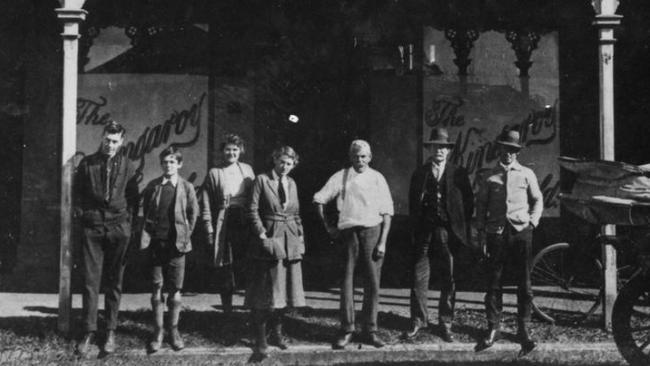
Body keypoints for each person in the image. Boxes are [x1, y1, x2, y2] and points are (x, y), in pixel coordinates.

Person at [314, 140, 394, 349]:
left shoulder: (377, 178)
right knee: (346, 282)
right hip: (348, 233)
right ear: (351, 157)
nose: (360, 160)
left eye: (364, 156)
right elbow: (319, 200)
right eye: (356, 156)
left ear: (370, 157)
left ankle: (370, 330)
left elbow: (387, 213)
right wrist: (329, 228)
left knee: (373, 283)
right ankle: (347, 329)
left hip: (372, 232)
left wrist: (383, 242)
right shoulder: (340, 177)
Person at [475, 129, 543, 355]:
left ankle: (524, 329)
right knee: (494, 282)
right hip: (496, 233)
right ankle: (493, 328)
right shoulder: (489, 176)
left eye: (513, 150)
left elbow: (537, 200)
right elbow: (481, 208)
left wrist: (532, 222)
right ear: (499, 149)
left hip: (521, 232)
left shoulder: (526, 174)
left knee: (524, 281)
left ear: (517, 152)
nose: (509, 154)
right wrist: (483, 234)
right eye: (506, 149)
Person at [74, 121, 139, 356]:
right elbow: (78, 194)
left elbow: (133, 198)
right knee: (91, 281)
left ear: (121, 142)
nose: (110, 145)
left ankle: (110, 330)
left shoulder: (128, 166)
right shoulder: (87, 163)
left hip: (118, 229)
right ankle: (89, 331)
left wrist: (127, 226)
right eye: (106, 140)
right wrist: (85, 217)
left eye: (114, 141)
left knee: (114, 282)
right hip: (93, 229)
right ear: (102, 138)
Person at [403, 128, 474, 342]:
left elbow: (469, 203)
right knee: (418, 276)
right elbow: (413, 204)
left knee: (448, 276)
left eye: (443, 147)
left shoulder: (459, 173)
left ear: (448, 151)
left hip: (447, 231)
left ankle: (446, 323)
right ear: (430, 149)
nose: (439, 150)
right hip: (424, 230)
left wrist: (457, 225)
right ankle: (418, 320)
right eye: (435, 146)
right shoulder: (420, 173)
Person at [245, 146, 306, 359]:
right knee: (266, 290)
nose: (284, 166)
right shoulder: (262, 180)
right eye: (281, 162)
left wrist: (300, 236)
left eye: (289, 164)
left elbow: (296, 213)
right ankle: (261, 339)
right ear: (274, 159)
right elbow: (252, 209)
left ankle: (278, 333)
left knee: (285, 291)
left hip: (289, 240)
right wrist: (262, 234)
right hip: (270, 239)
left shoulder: (292, 183)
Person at [139, 147, 199, 352]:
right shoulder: (153, 186)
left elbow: (193, 215)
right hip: (156, 245)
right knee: (156, 289)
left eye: (172, 162)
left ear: (179, 164)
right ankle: (158, 332)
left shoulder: (187, 187)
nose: (168, 165)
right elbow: (146, 211)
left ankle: (173, 331)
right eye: (165, 162)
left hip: (176, 247)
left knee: (175, 290)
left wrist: (184, 237)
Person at [200, 134, 255, 313]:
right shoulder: (215, 172)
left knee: (247, 262)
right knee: (226, 265)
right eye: (228, 149)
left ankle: (249, 307)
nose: (231, 152)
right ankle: (227, 309)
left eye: (235, 149)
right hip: (225, 221)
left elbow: (255, 197)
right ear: (222, 151)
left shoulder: (247, 170)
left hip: (245, 220)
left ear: (240, 151)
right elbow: (206, 202)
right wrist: (209, 227)